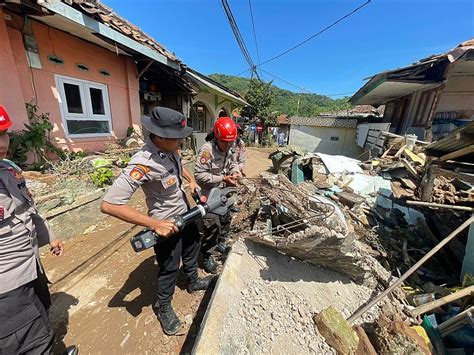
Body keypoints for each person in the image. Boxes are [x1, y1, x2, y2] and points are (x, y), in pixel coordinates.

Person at [100, 106, 212, 336]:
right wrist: (154, 224)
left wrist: (190, 182)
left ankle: (192, 281)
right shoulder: (143, 163)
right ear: (160, 137)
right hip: (165, 225)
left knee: (192, 248)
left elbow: (180, 168)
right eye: (177, 138)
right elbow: (109, 204)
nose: (181, 142)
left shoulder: (172, 149)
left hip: (185, 213)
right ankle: (164, 306)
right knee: (169, 267)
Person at [0, 105, 77, 355]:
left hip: (30, 266)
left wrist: (49, 237)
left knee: (41, 319)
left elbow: (27, 209)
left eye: (3, 134)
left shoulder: (9, 168)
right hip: (7, 287)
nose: (2, 143)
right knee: (30, 344)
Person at [194, 117, 240, 273]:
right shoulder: (207, 151)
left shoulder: (229, 148)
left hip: (223, 194)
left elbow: (233, 163)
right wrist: (223, 178)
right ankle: (206, 255)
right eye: (225, 142)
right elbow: (199, 175)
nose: (228, 145)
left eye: (231, 142)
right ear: (217, 138)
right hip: (208, 195)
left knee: (225, 219)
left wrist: (235, 172)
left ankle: (221, 243)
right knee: (212, 226)